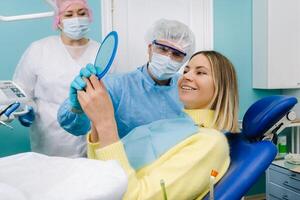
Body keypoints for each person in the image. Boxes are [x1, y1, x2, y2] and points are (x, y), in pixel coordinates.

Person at [75, 50, 239, 199]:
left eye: (201, 72)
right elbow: (102, 163)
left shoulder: (211, 143)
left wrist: (106, 122)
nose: (187, 76)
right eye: (186, 70)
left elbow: (137, 196)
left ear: (222, 87)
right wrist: (96, 119)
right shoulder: (176, 124)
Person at [57, 18, 196, 138]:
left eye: (176, 54)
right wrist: (77, 109)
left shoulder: (188, 88)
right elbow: (78, 129)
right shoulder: (116, 86)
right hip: (124, 167)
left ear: (184, 60)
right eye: (163, 49)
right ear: (150, 48)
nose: (168, 58)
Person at [13, 0, 100, 157]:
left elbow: (111, 94)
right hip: (49, 137)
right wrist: (25, 109)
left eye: (82, 13)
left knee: (87, 177)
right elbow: (21, 90)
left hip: (89, 136)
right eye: (69, 14)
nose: (77, 19)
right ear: (58, 21)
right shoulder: (39, 49)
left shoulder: (100, 51)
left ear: (89, 16)